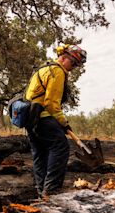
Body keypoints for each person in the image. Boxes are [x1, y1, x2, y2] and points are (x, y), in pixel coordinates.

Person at [25, 44, 87, 200]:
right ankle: (51, 191)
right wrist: (64, 123)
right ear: (64, 57)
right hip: (44, 117)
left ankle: (42, 193)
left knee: (40, 153)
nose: (73, 67)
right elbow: (52, 104)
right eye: (73, 63)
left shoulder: (43, 68)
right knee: (60, 147)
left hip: (31, 120)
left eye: (76, 65)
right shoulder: (57, 71)